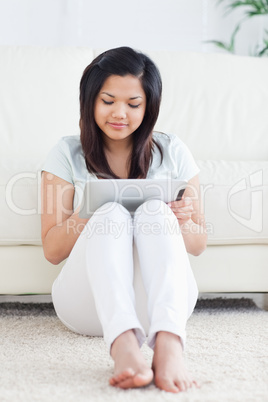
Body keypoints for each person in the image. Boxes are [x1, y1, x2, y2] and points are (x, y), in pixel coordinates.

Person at [41, 46, 207, 393]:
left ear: (148, 107)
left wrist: (183, 219)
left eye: (133, 104)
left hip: (164, 306)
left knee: (154, 209)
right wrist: (93, 209)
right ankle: (123, 345)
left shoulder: (172, 150)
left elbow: (198, 244)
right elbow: (53, 250)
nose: (120, 113)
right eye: (108, 100)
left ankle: (169, 344)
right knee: (111, 212)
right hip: (88, 308)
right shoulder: (65, 153)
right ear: (90, 101)